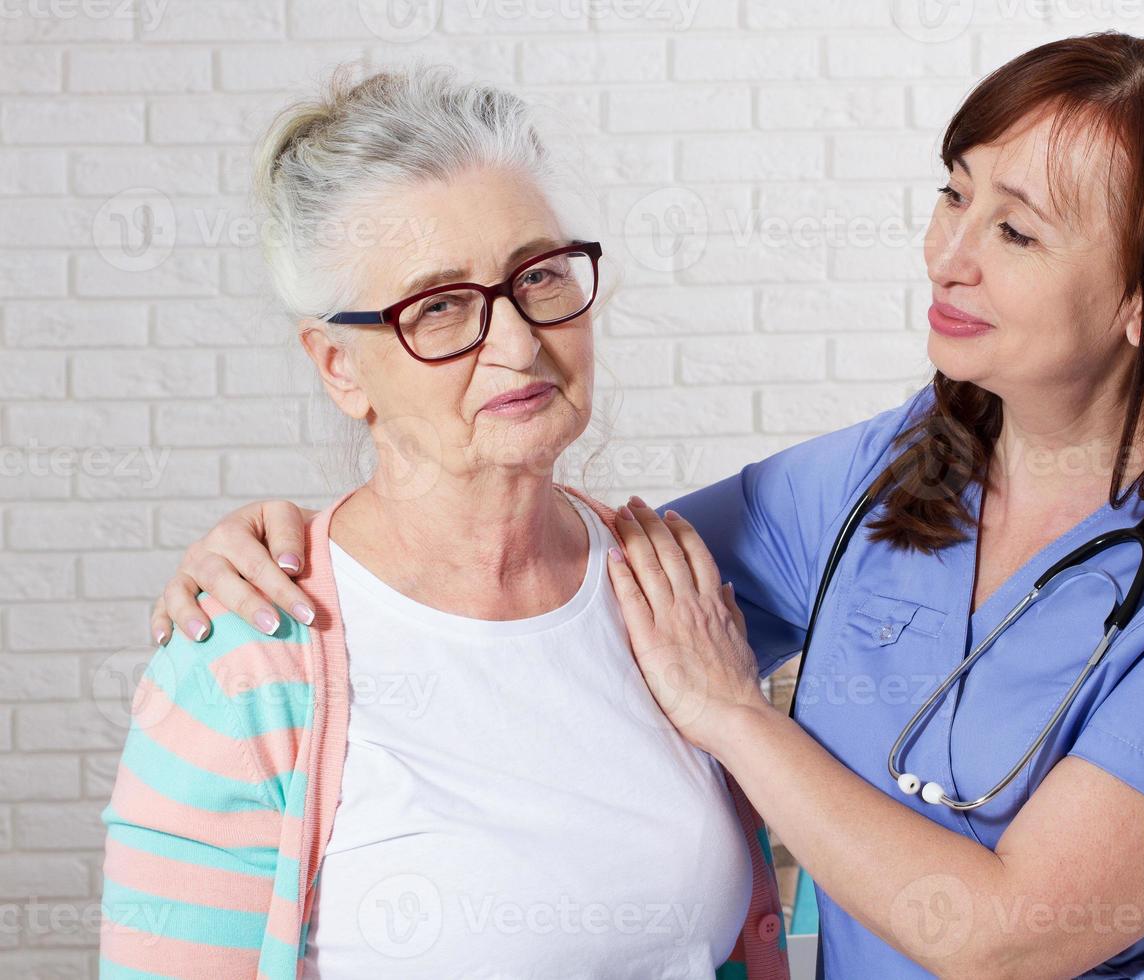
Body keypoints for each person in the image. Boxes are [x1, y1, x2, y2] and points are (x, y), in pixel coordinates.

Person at [147, 34, 1144, 978]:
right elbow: (555, 575)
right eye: (954, 194)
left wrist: (736, 712)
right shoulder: (897, 467)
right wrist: (289, 554)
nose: (949, 254)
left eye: (1018, 229)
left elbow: (1004, 940)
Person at [99, 66, 788, 979]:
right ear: (340, 366)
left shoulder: (670, 588)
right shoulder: (242, 661)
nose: (517, 342)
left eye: (537, 276)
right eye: (440, 306)